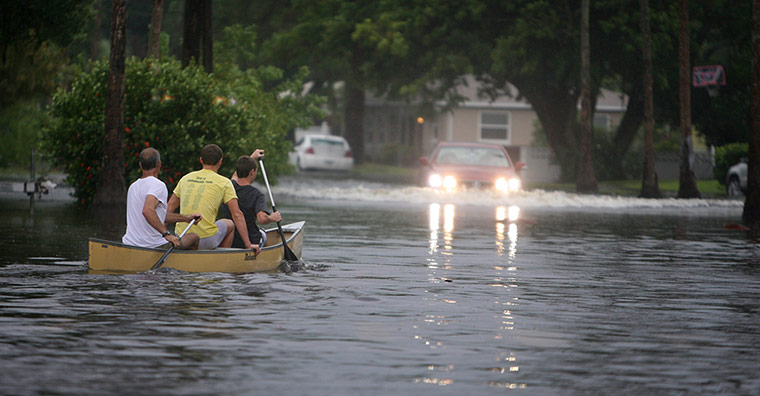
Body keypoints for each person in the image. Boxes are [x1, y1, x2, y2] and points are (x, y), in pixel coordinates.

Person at [167, 144, 260, 253]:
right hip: (205, 240)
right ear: (220, 161)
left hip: (180, 236)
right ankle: (222, 257)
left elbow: (169, 208)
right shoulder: (225, 182)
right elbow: (237, 214)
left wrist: (163, 235)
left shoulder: (185, 178)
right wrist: (248, 244)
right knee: (229, 223)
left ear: (201, 160)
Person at [122, 147, 201, 249]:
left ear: (140, 165)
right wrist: (166, 234)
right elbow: (147, 211)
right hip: (154, 245)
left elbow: (157, 215)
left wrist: (186, 218)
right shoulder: (158, 185)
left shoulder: (133, 186)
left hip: (129, 244)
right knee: (194, 237)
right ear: (159, 164)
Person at [219, 150, 282, 248]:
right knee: (263, 235)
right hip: (250, 240)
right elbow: (262, 219)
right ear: (252, 172)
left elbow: (235, 175)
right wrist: (272, 217)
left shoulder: (230, 186)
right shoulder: (257, 195)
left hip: (228, 238)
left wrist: (252, 157)